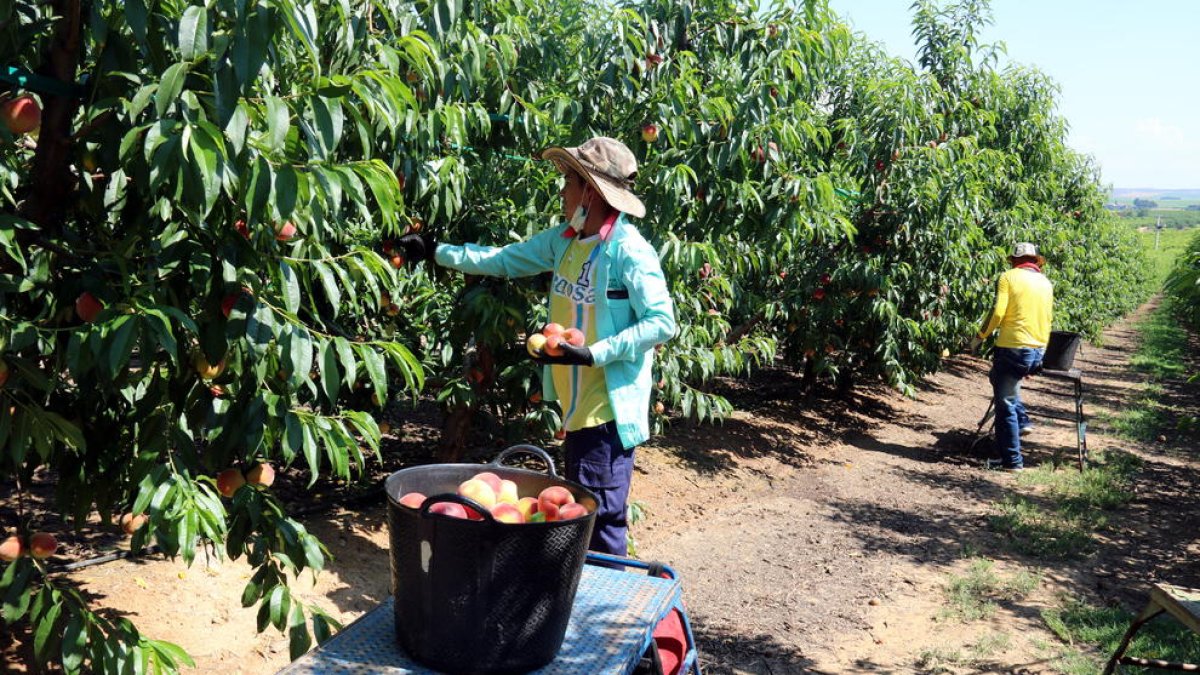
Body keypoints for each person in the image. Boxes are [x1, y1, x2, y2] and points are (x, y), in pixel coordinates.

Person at [397, 137, 676, 555]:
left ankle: (603, 611)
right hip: (575, 409)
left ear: (589, 190)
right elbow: (503, 259)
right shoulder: (564, 240)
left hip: (606, 413)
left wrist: (593, 353)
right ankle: (587, 604)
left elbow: (662, 322)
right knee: (579, 521)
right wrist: (437, 252)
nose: (561, 191)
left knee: (598, 526)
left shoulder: (628, 252)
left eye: (568, 181)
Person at [971, 242, 1054, 472]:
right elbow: (1048, 319)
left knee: (1005, 403)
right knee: (999, 381)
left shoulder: (1008, 277)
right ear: (1036, 261)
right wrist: (1039, 354)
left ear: (1015, 261)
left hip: (1012, 348)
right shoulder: (1046, 283)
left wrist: (979, 336)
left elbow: (998, 312)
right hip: (1037, 348)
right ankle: (1024, 421)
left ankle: (1012, 462)